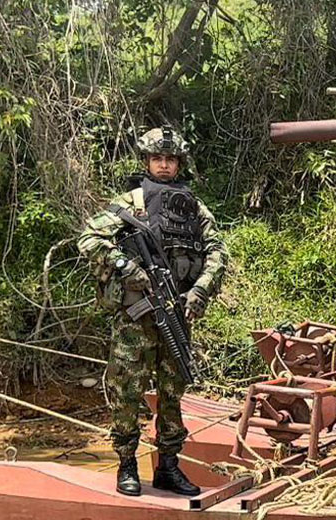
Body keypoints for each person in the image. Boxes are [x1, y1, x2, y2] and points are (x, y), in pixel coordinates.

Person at [77, 127, 228, 497]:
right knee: (127, 391)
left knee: (173, 392)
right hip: (136, 316)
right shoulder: (131, 203)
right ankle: (127, 464)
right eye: (157, 159)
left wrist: (200, 291)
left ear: (179, 164)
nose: (164, 165)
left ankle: (168, 467)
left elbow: (217, 253)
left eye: (170, 159)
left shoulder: (195, 208)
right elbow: (89, 239)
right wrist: (125, 266)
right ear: (146, 162)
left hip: (176, 312)